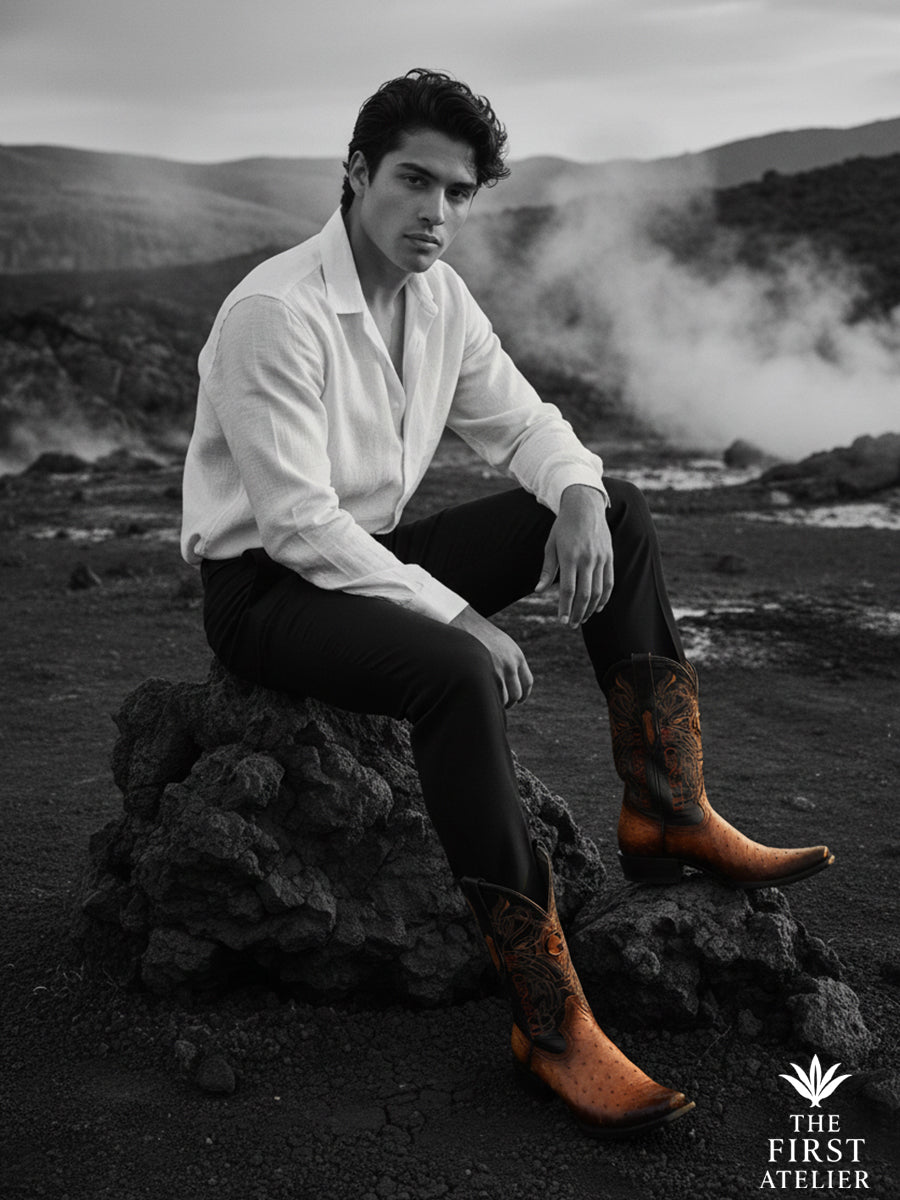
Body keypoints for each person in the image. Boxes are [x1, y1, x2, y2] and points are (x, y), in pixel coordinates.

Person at [181, 68, 834, 1137]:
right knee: (452, 671)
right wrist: (456, 613)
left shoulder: (437, 297)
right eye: (412, 180)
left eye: (459, 192)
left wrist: (574, 497)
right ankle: (551, 1021)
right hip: (267, 592)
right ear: (352, 173)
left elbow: (526, 422)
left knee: (614, 505)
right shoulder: (274, 313)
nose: (435, 213)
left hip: (369, 554)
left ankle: (667, 811)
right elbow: (298, 524)